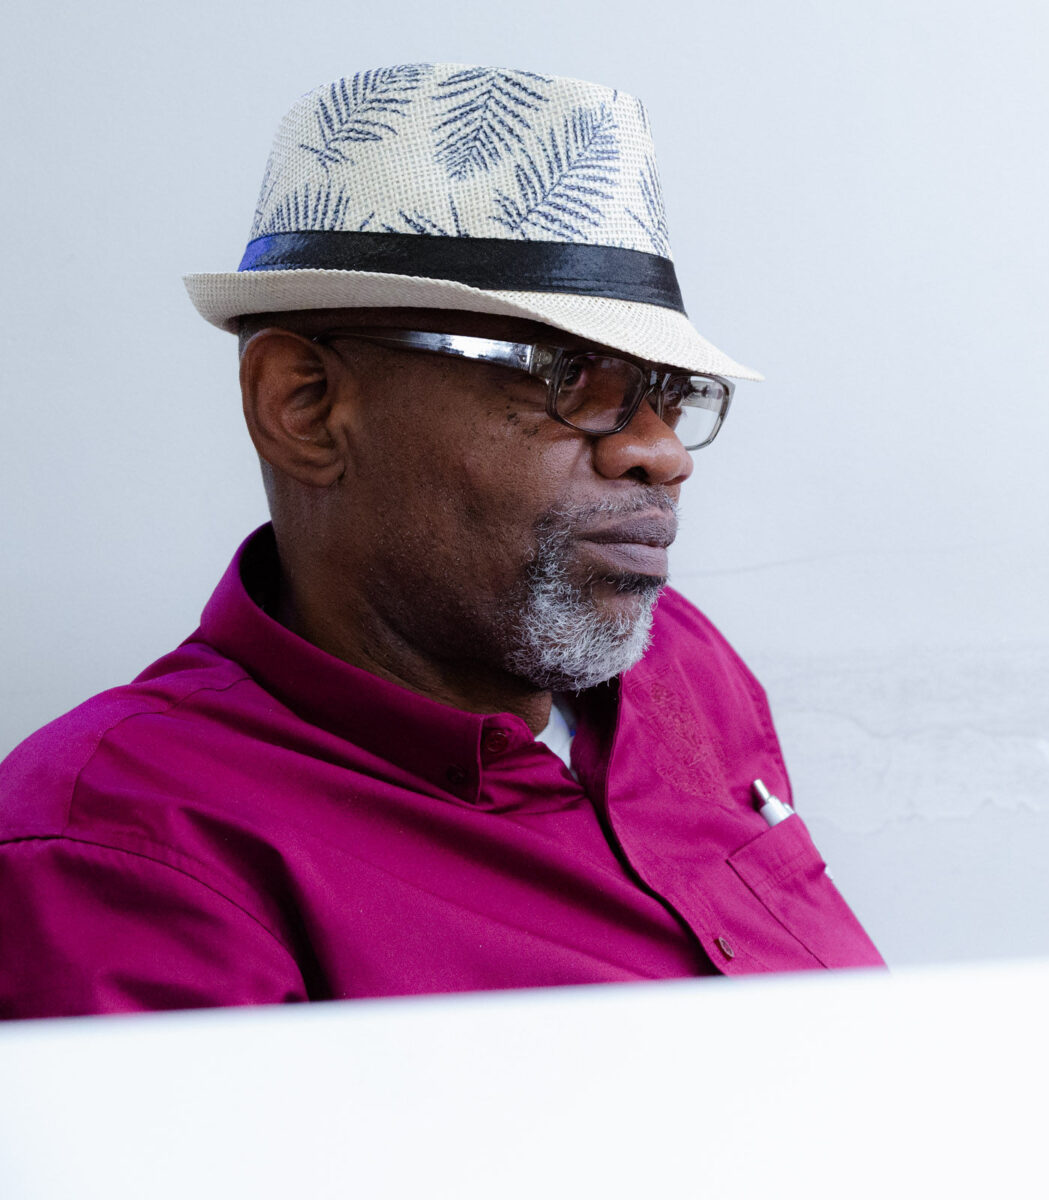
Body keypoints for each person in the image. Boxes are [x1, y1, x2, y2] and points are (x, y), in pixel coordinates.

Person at [0, 64, 883, 1018]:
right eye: (571, 375)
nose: (661, 452)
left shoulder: (683, 666)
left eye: (671, 394)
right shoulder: (123, 850)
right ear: (305, 406)